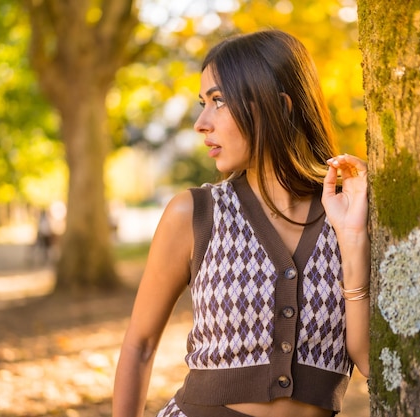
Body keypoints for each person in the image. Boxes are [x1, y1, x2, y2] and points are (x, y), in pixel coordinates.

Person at [112, 29, 370, 417]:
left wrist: (352, 240)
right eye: (203, 103)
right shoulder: (195, 213)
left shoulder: (349, 213)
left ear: (278, 105)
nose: (201, 123)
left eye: (219, 101)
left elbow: (369, 361)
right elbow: (140, 345)